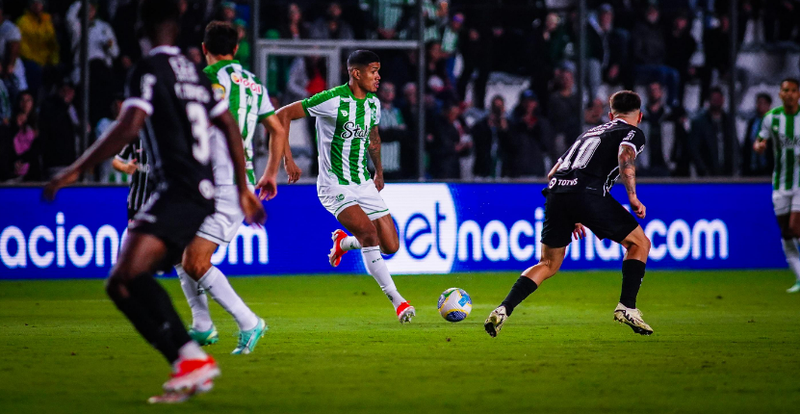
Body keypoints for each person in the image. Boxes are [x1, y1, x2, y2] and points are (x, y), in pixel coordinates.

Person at [43, 0, 266, 402]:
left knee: (128, 277)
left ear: (141, 31)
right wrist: (245, 188)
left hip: (179, 190)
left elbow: (128, 126)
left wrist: (75, 170)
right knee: (130, 279)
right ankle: (192, 353)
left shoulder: (148, 70)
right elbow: (230, 125)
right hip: (204, 190)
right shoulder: (197, 74)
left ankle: (192, 356)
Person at [485, 90, 654, 337]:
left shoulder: (590, 132)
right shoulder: (633, 132)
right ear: (639, 116)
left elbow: (553, 173)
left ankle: (503, 308)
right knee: (640, 243)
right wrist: (632, 196)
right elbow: (625, 154)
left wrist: (572, 213)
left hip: (557, 192)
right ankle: (627, 306)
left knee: (548, 263)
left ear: (610, 115)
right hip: (587, 193)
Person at [175, 21, 292, 354]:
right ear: (237, 49)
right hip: (227, 181)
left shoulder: (207, 78)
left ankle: (249, 322)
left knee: (196, 261)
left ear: (203, 48)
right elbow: (277, 129)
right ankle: (202, 325)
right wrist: (270, 173)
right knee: (179, 251)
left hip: (223, 182)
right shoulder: (254, 83)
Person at [276, 50, 416, 323]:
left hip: (363, 181)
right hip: (334, 185)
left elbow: (374, 138)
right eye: (373, 71)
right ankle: (398, 301)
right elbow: (283, 114)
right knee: (369, 234)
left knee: (391, 245)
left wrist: (379, 171)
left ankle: (343, 242)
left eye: (378, 70)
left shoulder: (373, 104)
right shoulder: (331, 99)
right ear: (356, 73)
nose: (378, 76)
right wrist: (288, 159)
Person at [754, 79, 800, 293]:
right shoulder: (771, 118)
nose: (789, 94)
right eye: (785, 90)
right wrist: (759, 146)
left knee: (794, 226)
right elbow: (759, 140)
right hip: (781, 182)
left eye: (793, 90)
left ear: (798, 93)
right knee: (786, 232)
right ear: (780, 94)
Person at [742, 93, 774, 177]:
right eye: (758, 103)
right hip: (752, 167)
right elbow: (747, 144)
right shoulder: (752, 122)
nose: (760, 106)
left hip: (768, 167)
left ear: (769, 105)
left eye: (763, 103)